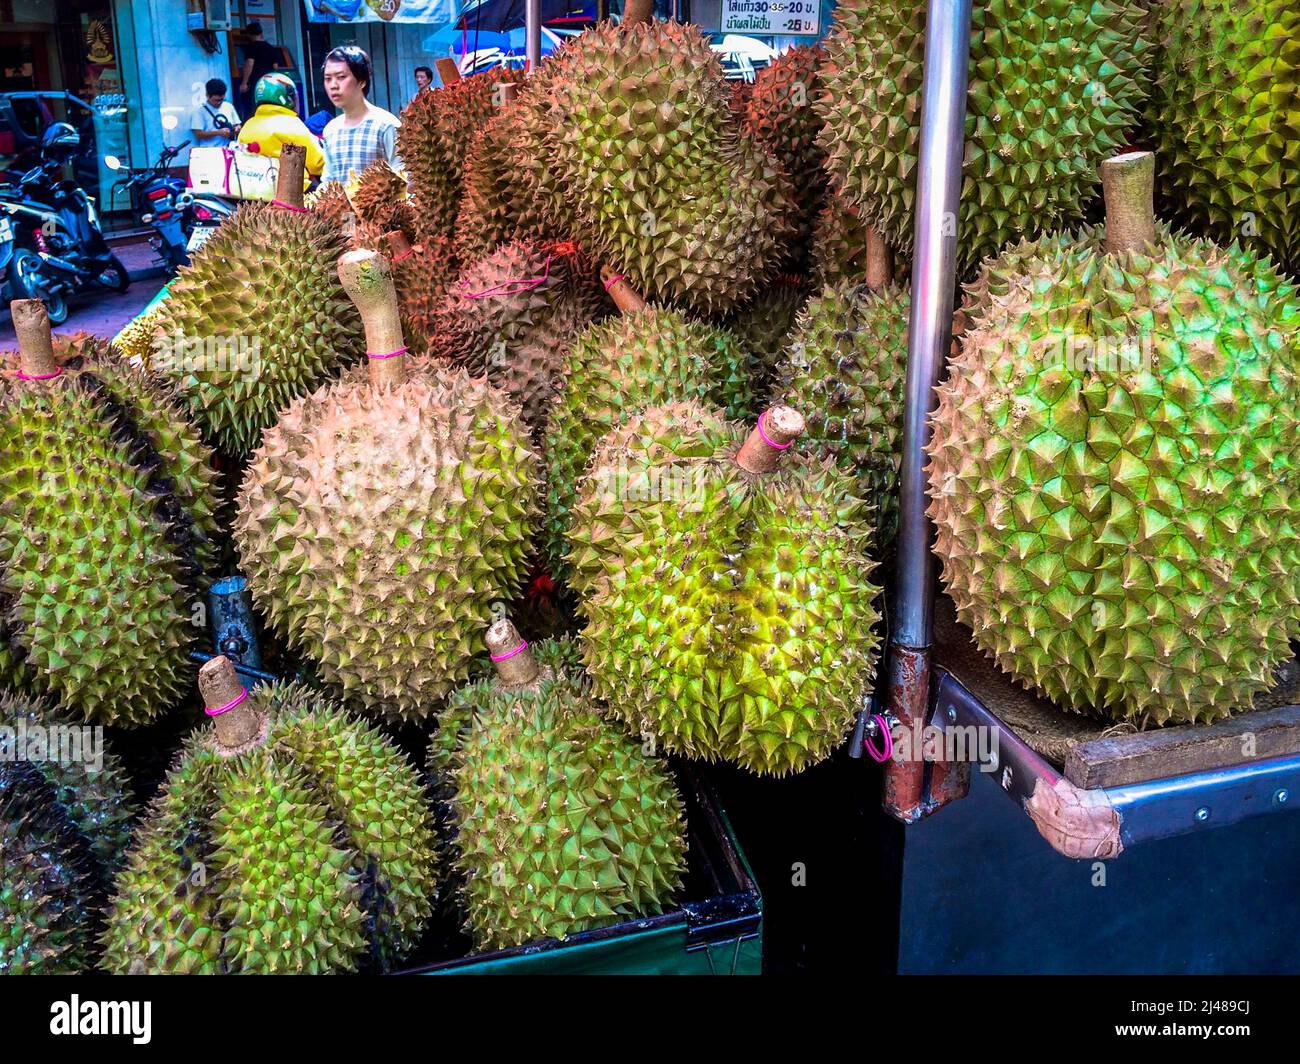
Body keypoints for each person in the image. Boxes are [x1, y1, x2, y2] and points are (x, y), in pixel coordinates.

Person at [319, 45, 402, 187]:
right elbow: (329, 182)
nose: (333, 85)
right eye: (328, 79)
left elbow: (404, 176)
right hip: (341, 209)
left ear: (362, 80)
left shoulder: (386, 125)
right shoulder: (330, 131)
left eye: (341, 77)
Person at [238, 74, 325, 183]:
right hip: (293, 192)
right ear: (287, 98)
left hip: (253, 190)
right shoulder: (291, 124)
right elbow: (317, 164)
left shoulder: (247, 126)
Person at [238, 22, 285, 120]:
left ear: (249, 34)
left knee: (254, 109)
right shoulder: (271, 48)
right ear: (261, 33)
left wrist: (244, 83)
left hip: (255, 83)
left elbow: (249, 64)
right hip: (269, 84)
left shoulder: (251, 47)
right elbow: (275, 67)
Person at [190, 79, 241, 144]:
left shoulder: (229, 106)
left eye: (221, 99)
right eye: (216, 100)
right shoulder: (199, 112)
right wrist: (217, 133)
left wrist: (237, 128)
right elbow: (198, 135)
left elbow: (238, 124)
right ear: (208, 96)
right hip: (210, 150)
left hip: (229, 149)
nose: (219, 102)